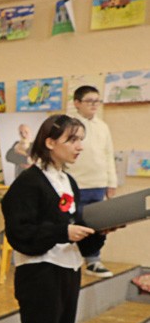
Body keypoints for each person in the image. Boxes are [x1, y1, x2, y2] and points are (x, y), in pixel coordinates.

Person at [1, 115, 106, 323]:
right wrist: (63, 231)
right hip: (40, 271)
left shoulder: (67, 181)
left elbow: (74, 228)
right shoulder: (28, 183)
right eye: (73, 140)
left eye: (80, 139)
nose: (80, 146)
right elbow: (20, 233)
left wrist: (97, 232)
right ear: (50, 142)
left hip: (68, 269)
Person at [68, 85, 118, 278]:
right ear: (77, 103)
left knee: (97, 224)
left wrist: (110, 183)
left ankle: (93, 261)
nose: (94, 105)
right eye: (89, 101)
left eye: (97, 101)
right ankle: (71, 261)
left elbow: (108, 155)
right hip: (76, 184)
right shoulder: (70, 126)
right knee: (76, 223)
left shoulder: (103, 126)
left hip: (99, 184)